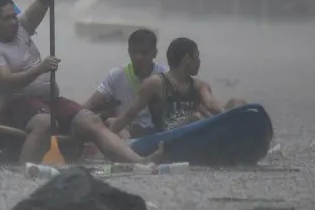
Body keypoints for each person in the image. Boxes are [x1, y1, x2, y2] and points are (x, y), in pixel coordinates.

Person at [0, 0, 152, 165]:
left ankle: (140, 163)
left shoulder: (22, 26)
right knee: (43, 122)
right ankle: (25, 171)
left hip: (49, 100)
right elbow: (5, 80)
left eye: (14, 15)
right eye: (7, 18)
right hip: (14, 106)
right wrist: (40, 70)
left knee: (92, 121)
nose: (14, 21)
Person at [105, 37, 246, 136]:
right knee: (194, 118)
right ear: (186, 59)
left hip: (195, 129)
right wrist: (107, 138)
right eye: (197, 57)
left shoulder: (200, 86)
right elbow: (130, 114)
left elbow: (212, 105)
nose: (199, 62)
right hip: (165, 136)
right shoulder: (155, 84)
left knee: (237, 103)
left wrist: (232, 112)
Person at [82, 29, 168, 138]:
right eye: (135, 52)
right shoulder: (116, 75)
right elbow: (91, 103)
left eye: (144, 53)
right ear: (129, 52)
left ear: (154, 53)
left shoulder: (165, 76)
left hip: (157, 131)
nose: (139, 57)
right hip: (123, 129)